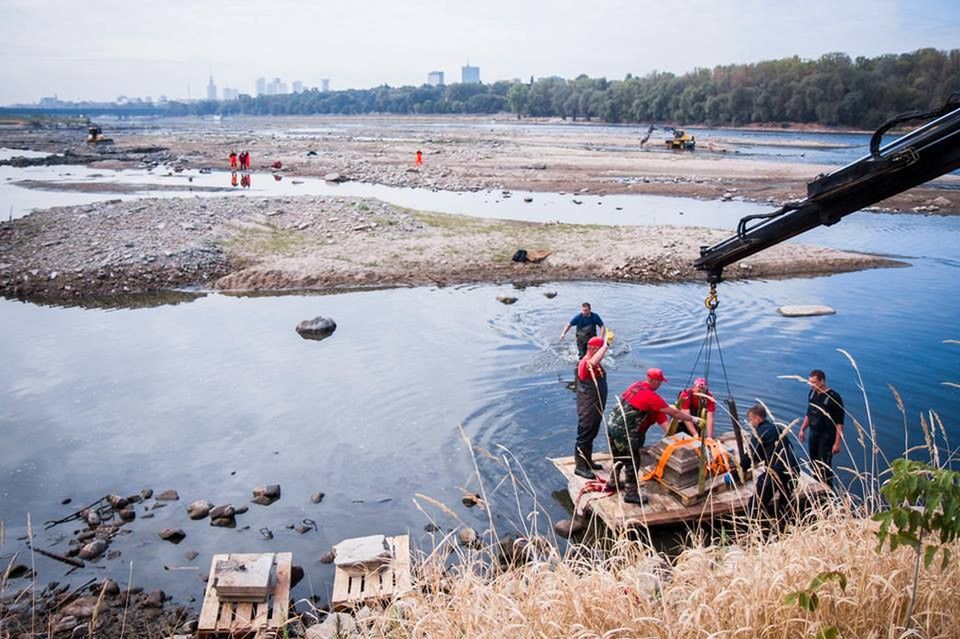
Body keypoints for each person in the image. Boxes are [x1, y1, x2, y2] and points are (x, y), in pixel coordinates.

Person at [606, 368, 702, 504]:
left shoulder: (636, 386)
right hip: (624, 431)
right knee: (633, 461)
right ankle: (630, 494)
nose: (660, 385)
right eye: (660, 382)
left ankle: (612, 482)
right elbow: (673, 414)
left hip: (611, 424)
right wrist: (695, 419)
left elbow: (665, 422)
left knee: (618, 457)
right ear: (654, 381)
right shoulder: (651, 397)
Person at [745, 404, 799, 521]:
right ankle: (785, 523)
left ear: (758, 419)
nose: (750, 423)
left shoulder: (760, 432)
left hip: (776, 472)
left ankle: (753, 525)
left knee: (756, 504)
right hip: (794, 469)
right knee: (785, 501)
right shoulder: (777, 428)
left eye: (751, 420)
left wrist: (735, 473)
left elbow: (751, 456)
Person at [798, 369, 844, 489]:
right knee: (813, 464)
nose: (811, 385)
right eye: (810, 382)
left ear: (822, 381)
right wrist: (802, 429)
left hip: (827, 437)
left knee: (824, 467)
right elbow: (809, 414)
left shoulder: (834, 398)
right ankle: (817, 488)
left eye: (814, 382)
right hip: (814, 434)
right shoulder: (812, 394)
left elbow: (840, 423)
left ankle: (828, 491)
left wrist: (837, 443)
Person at [574, 336, 610, 479]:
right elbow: (591, 363)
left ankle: (588, 461)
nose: (604, 354)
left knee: (592, 434)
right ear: (594, 349)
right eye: (601, 350)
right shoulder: (585, 363)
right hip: (587, 408)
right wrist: (605, 346)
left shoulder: (597, 363)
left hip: (596, 406)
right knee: (584, 435)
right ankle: (580, 466)